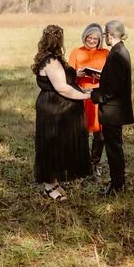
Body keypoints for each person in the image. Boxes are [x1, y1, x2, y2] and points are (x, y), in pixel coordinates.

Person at [33, 24, 92, 200]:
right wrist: (85, 96)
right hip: (54, 110)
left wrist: (77, 74)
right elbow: (63, 88)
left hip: (59, 109)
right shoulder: (50, 61)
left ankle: (54, 180)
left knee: (60, 145)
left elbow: (62, 79)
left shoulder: (53, 58)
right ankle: (49, 185)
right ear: (58, 40)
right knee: (52, 145)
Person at [90, 20, 134, 195]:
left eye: (104, 34)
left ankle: (117, 185)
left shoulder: (117, 54)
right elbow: (114, 79)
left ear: (109, 34)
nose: (104, 38)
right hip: (114, 109)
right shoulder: (118, 51)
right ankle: (118, 183)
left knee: (113, 149)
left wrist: (92, 94)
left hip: (113, 111)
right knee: (115, 148)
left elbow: (113, 88)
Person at [68, 23, 109, 171]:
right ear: (84, 37)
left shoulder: (105, 53)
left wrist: (102, 76)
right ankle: (81, 162)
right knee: (81, 130)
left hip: (98, 95)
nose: (91, 41)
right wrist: (75, 74)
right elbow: (67, 78)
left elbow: (111, 75)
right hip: (81, 94)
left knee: (100, 132)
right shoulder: (76, 52)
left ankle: (94, 163)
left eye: (95, 39)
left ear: (99, 41)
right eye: (89, 37)